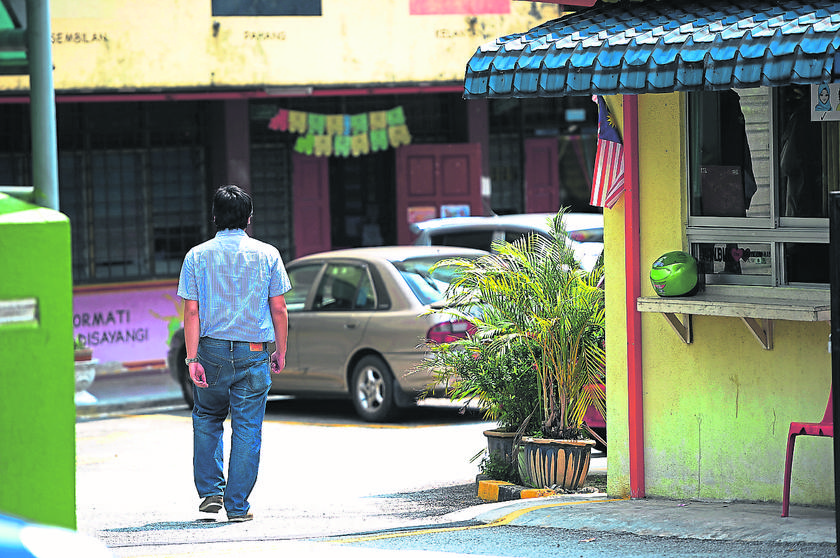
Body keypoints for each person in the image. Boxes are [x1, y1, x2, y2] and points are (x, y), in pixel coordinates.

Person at [177, 184, 290, 522]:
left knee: (207, 416)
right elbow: (280, 308)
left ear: (214, 217)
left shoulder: (196, 256)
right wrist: (280, 351)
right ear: (249, 219)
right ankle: (237, 507)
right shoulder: (268, 254)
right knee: (247, 427)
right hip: (254, 352)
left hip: (210, 351)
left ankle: (211, 492)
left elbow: (192, 313)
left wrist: (192, 358)